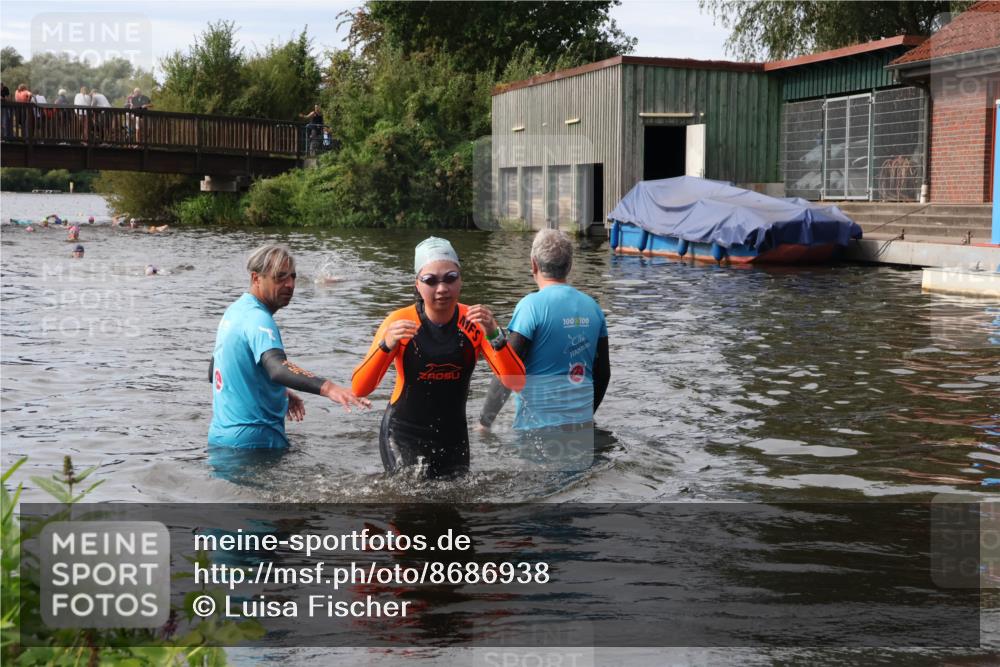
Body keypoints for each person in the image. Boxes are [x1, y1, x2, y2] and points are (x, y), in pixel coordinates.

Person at [352, 237, 526, 478]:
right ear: (417, 285)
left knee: (453, 510)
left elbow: (516, 382)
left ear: (460, 280)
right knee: (408, 504)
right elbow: (360, 388)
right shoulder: (398, 322)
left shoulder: (476, 322)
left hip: (453, 437)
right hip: (403, 434)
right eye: (431, 281)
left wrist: (496, 335)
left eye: (450, 278)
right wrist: (386, 345)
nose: (442, 288)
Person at [209, 244, 370, 449]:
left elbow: (214, 371)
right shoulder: (258, 318)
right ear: (256, 278)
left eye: (292, 276)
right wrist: (329, 388)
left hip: (220, 438)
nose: (290, 284)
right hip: (256, 442)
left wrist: (277, 391)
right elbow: (277, 368)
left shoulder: (234, 311)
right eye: (280, 277)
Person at [478, 229, 610, 468]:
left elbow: (508, 372)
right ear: (569, 265)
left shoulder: (531, 307)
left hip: (536, 433)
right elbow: (603, 374)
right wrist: (585, 415)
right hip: (581, 431)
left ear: (533, 264)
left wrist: (484, 423)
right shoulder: (593, 308)